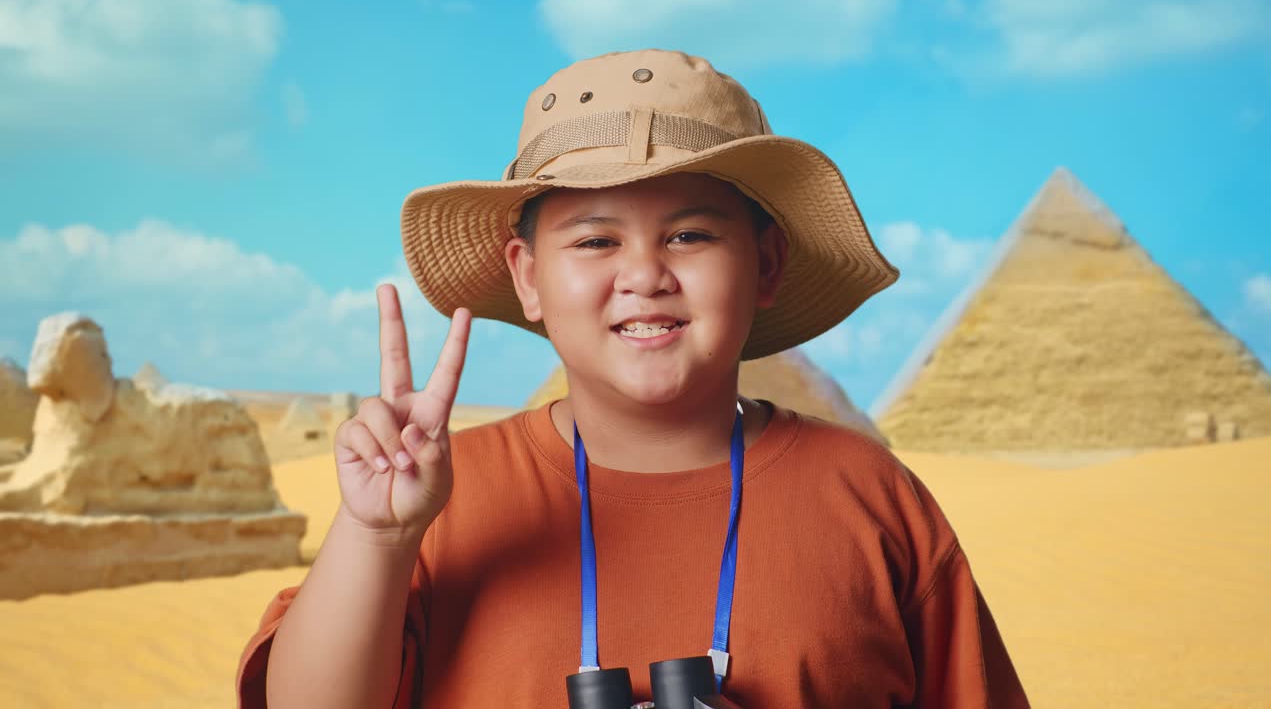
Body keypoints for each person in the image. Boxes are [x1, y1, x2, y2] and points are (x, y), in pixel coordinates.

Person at [236, 49, 1030, 708]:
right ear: (528, 277)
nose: (645, 275)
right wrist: (379, 535)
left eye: (690, 235)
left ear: (766, 264)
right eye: (595, 242)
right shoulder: (440, 499)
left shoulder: (869, 497)